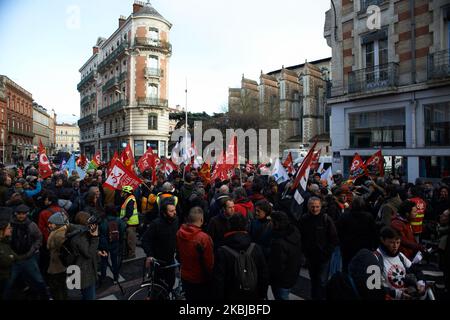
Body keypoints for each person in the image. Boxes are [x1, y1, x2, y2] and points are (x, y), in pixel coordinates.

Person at [212, 213, 269, 300]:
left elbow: (218, 280)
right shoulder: (256, 248)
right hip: (253, 294)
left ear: (229, 226)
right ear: (246, 226)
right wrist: (262, 294)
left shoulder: (222, 251)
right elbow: (263, 274)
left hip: (231, 295)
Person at [3, 204, 51, 300]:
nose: (21, 216)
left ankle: (46, 297)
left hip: (28, 258)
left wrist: (32, 250)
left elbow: (39, 238)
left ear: (27, 214)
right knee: (8, 283)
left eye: (23, 214)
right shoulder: (10, 225)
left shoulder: (31, 225)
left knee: (39, 280)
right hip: (14, 259)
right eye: (19, 213)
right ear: (15, 214)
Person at [299, 197, 339, 300]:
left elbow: (334, 238)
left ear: (321, 207)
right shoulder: (304, 219)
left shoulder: (326, 219)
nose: (315, 209)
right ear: (308, 207)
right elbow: (301, 237)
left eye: (317, 207)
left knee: (322, 282)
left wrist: (327, 252)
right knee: (313, 281)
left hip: (323, 258)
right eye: (312, 206)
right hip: (311, 257)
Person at [375, 227, 425, 300]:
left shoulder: (400, 255)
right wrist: (394, 293)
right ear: (383, 240)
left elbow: (415, 270)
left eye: (398, 242)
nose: (395, 246)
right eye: (392, 242)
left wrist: (420, 282)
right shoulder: (375, 257)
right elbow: (372, 287)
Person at [176, 207, 214, 301]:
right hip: (199, 279)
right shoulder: (203, 238)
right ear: (201, 219)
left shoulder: (179, 233)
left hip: (185, 275)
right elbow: (209, 263)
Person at [142, 198, 179, 290]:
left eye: (175, 210)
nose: (174, 213)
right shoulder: (156, 224)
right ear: (164, 213)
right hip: (157, 262)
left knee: (170, 285)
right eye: (171, 211)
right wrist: (149, 255)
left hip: (170, 260)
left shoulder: (175, 220)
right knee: (158, 288)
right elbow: (145, 240)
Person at [336, 196, 378, 272]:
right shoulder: (369, 217)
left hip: (347, 247)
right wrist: (373, 247)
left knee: (346, 267)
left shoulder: (345, 216)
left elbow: (339, 231)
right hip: (364, 247)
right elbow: (374, 233)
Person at [269, 211, 302, 300]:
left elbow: (277, 265)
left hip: (281, 280)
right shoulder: (294, 232)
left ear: (277, 223)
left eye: (271, 221)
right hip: (292, 275)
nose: (270, 223)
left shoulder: (279, 243)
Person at [71, 211, 101, 300]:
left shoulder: (80, 232)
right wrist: (95, 237)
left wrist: (97, 252)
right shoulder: (79, 236)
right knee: (90, 296)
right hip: (84, 272)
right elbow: (88, 253)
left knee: (86, 294)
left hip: (81, 269)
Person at [98, 205, 126, 285]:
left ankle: (103, 277)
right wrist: (120, 242)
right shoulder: (119, 220)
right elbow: (122, 230)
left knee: (104, 261)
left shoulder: (103, 220)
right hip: (115, 243)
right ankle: (115, 276)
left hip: (104, 244)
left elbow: (100, 232)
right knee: (114, 261)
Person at [46, 212, 69, 300]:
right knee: (61, 287)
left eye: (51, 223)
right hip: (58, 265)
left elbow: (62, 250)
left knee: (58, 288)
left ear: (57, 223)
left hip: (58, 266)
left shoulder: (59, 234)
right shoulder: (57, 231)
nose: (49, 225)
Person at [119, 185, 140, 259]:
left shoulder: (130, 200)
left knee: (130, 240)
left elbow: (129, 212)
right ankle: (129, 254)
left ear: (126, 193)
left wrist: (123, 220)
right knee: (128, 239)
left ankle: (131, 255)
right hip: (129, 223)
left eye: (123, 192)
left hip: (131, 223)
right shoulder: (128, 198)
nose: (122, 193)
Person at [0, 207, 16, 297]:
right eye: (9, 228)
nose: (11, 229)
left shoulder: (6, 240)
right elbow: (6, 260)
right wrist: (11, 257)